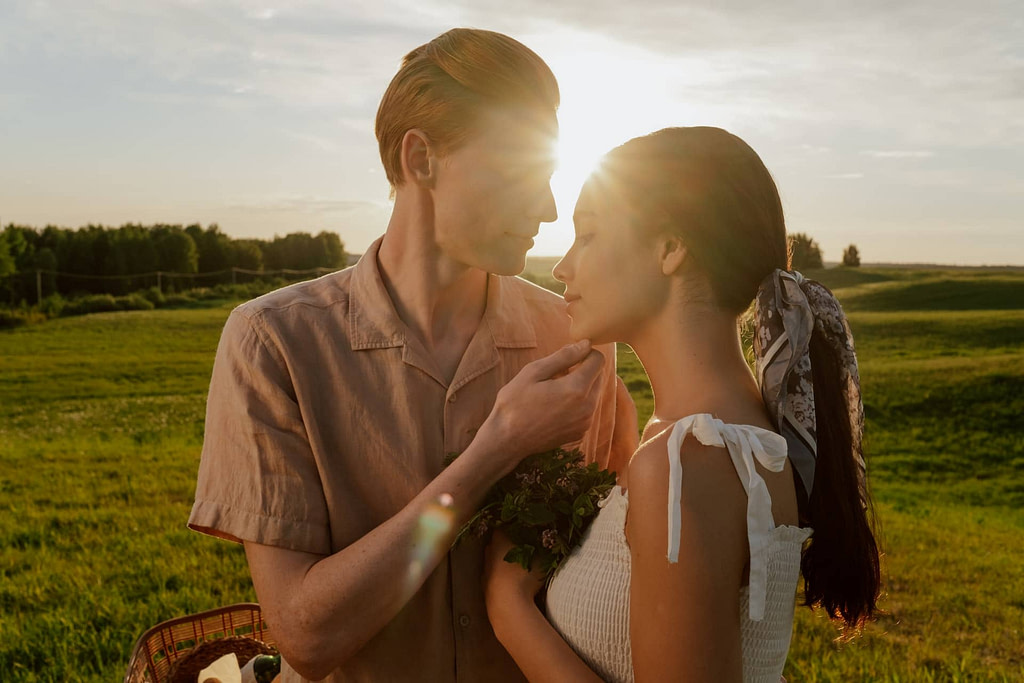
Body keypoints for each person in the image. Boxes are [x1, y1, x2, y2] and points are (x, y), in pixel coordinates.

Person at [187, 28, 637, 683]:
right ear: (421, 158)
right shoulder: (273, 343)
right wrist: (494, 450)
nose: (546, 207)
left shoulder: (573, 340)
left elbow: (613, 569)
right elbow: (307, 638)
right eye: (520, 173)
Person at [483, 127, 881, 682]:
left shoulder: (687, 462)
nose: (562, 266)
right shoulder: (725, 438)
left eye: (589, 235)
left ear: (671, 248)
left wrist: (508, 609)